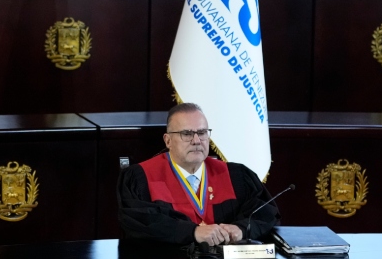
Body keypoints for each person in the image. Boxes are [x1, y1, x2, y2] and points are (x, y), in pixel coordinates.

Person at [118, 103, 279, 246]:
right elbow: (138, 221)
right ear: (168, 141)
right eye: (187, 133)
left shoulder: (236, 175)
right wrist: (193, 232)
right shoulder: (141, 178)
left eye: (202, 132)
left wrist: (242, 228)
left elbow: (266, 212)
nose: (196, 140)